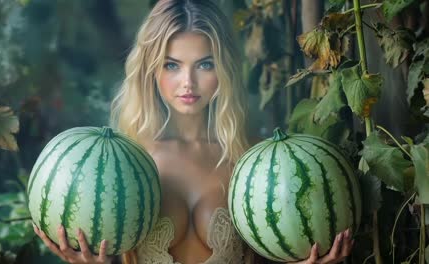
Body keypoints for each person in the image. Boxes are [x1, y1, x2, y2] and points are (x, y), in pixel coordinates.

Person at [34, 0, 354, 263]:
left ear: (224, 68)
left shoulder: (252, 158)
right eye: (172, 65)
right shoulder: (127, 161)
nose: (188, 82)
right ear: (150, 70)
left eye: (204, 64)